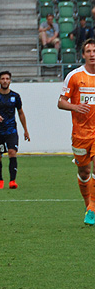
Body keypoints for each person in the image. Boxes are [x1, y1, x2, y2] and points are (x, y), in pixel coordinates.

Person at [58, 38, 95, 225]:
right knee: (84, 171)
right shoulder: (74, 76)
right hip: (80, 133)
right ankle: (88, 205)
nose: (92, 54)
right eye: (89, 51)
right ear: (83, 55)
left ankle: (93, 208)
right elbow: (61, 102)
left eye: (94, 51)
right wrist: (75, 107)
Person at [0, 71, 30, 190]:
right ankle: (0, 180)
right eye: (3, 79)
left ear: (10, 81)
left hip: (11, 130)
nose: (5, 81)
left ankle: (12, 181)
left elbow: (21, 113)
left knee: (12, 152)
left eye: (7, 79)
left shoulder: (15, 96)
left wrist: (25, 130)